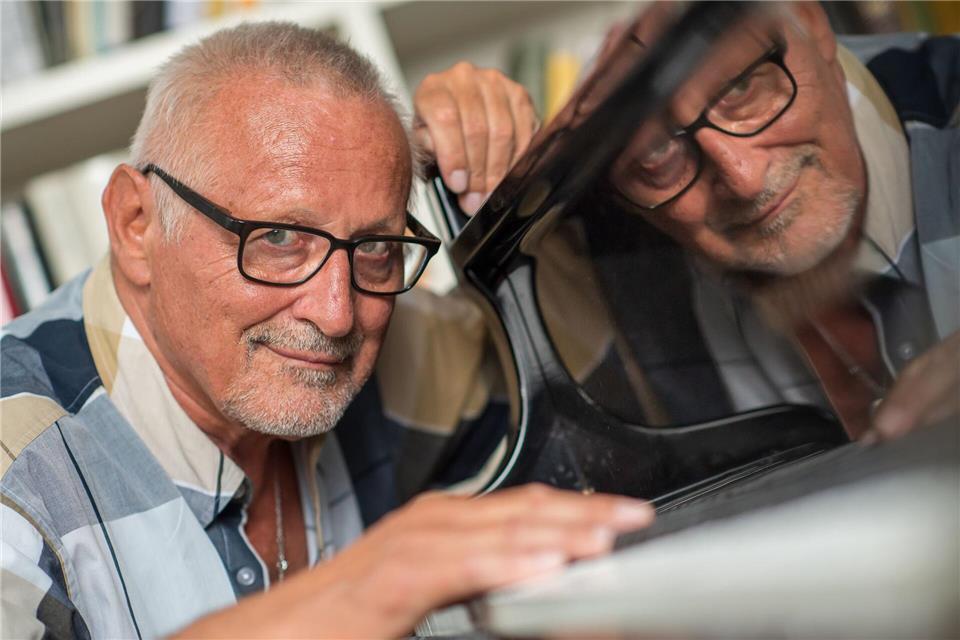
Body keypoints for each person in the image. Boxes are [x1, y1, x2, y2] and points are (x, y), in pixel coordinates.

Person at [0, 23, 656, 639]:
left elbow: (595, 351)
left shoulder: (393, 350)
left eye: (375, 247)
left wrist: (513, 184)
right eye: (279, 238)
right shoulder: (16, 466)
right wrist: (365, 588)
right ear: (136, 224)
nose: (337, 315)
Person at [415, 2, 959, 442]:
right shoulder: (615, 257)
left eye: (743, 87)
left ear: (812, 20)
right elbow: (428, 372)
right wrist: (426, 151)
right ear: (615, 190)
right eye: (656, 155)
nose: (743, 179)